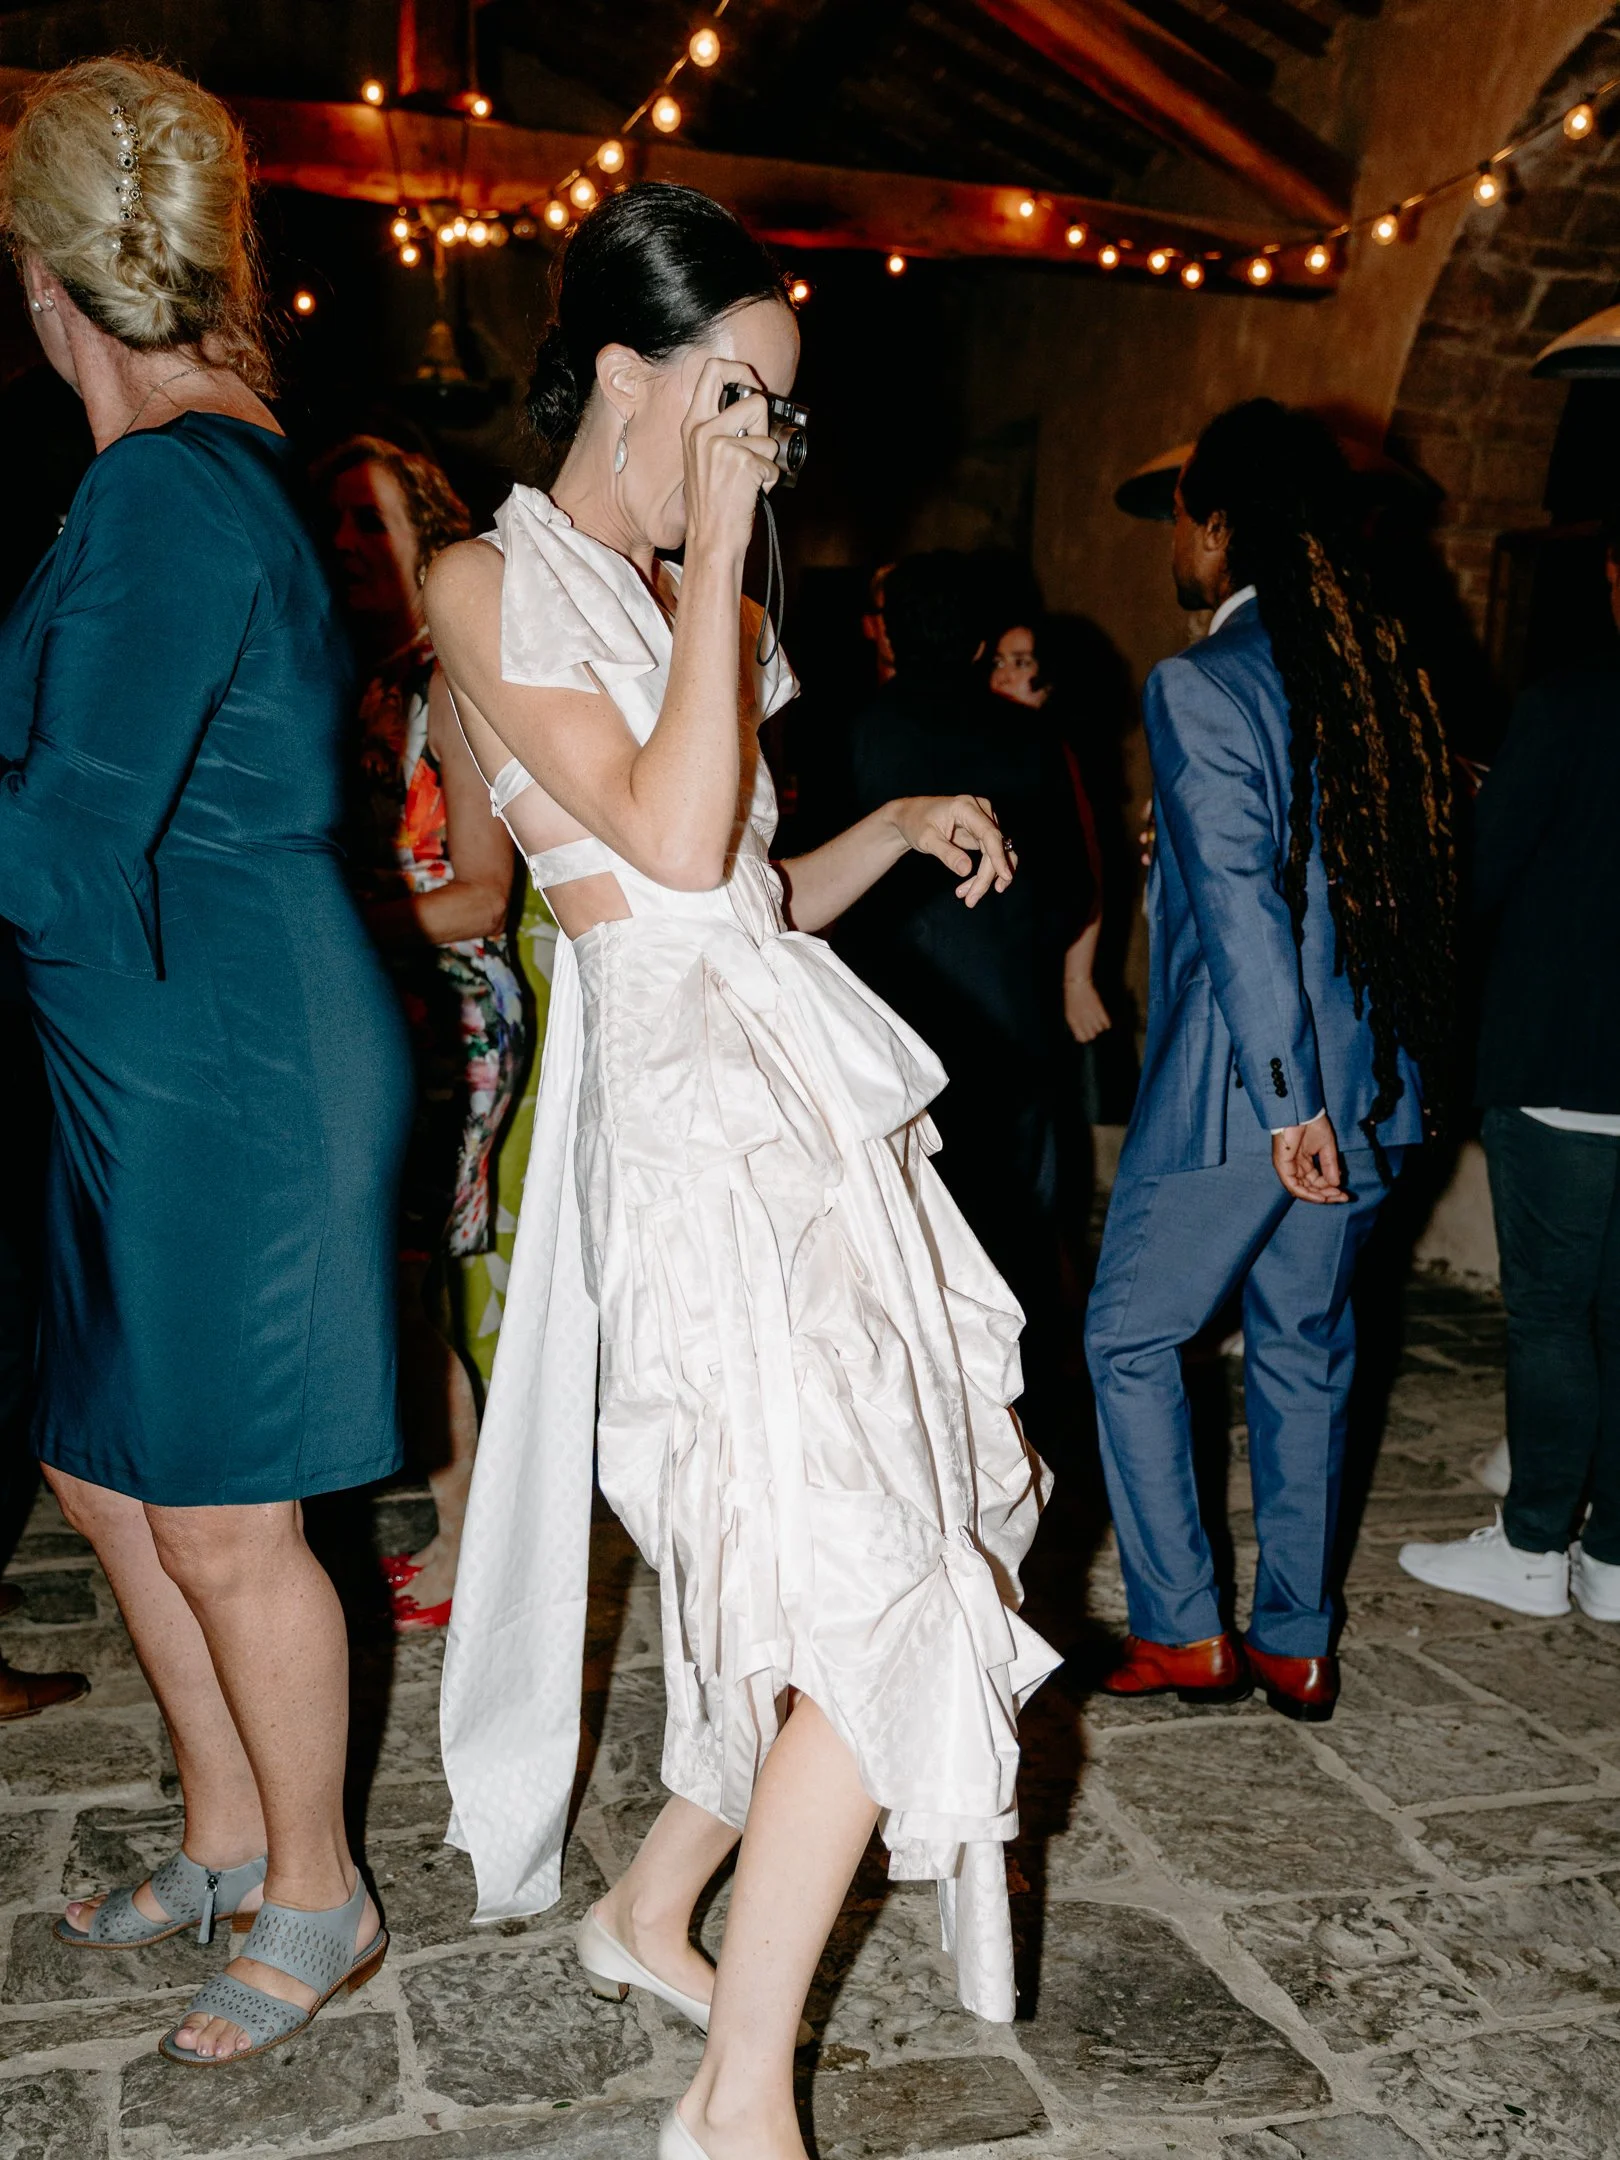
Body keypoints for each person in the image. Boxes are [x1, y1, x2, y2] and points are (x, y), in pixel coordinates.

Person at [427, 183, 1056, 2160]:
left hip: (793, 1092)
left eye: (779, 418)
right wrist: (720, 575)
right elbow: (669, 865)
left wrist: (892, 821)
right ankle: (742, 2093)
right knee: (873, 1576)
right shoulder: (483, 581)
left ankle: (652, 1910)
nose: (767, 452)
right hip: (690, 1139)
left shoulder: (712, 601)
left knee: (939, 1507)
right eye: (739, 404)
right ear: (625, 375)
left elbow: (750, 890)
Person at [0, 59, 410, 2061]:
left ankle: (320, 1896)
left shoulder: (165, 488)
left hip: (227, 1063)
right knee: (106, 1477)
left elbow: (65, 851)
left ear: (37, 277)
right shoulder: (184, 462)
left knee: (230, 1518)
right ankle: (235, 1829)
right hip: (138, 1054)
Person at [1085, 399, 1457, 1723]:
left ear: (1222, 528)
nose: (1174, 537)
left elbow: (1245, 904)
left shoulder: (1198, 680)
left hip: (1256, 1093)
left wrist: (1287, 1102)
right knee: (1305, 1344)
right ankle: (1296, 1639)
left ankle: (1185, 1630)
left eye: (1184, 510)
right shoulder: (1372, 674)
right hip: (1375, 1086)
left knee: (1127, 1337)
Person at [317, 435, 525, 1630]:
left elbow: (485, 889)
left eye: (371, 523)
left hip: (444, 1008)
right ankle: (464, 1533)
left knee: (407, 1294)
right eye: (334, 524)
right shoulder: (353, 676)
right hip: (374, 998)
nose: (347, 545)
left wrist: (334, 917)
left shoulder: (451, 681)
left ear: (428, 543)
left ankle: (470, 1543)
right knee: (390, 1290)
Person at [1398, 525, 1620, 1624]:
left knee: (1549, 1313)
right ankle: (1617, 1558)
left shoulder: (1570, 702)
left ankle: (1536, 1545)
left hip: (1565, 1055)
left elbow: (1481, 878)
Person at [838, 551, 1097, 1442]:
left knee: (903, 1226)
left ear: (887, 632)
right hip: (1010, 1016)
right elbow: (1073, 888)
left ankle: (915, 1422)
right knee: (1015, 1224)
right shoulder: (1031, 738)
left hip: (886, 1019)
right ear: (985, 643)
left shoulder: (847, 730)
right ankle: (1016, 1421)